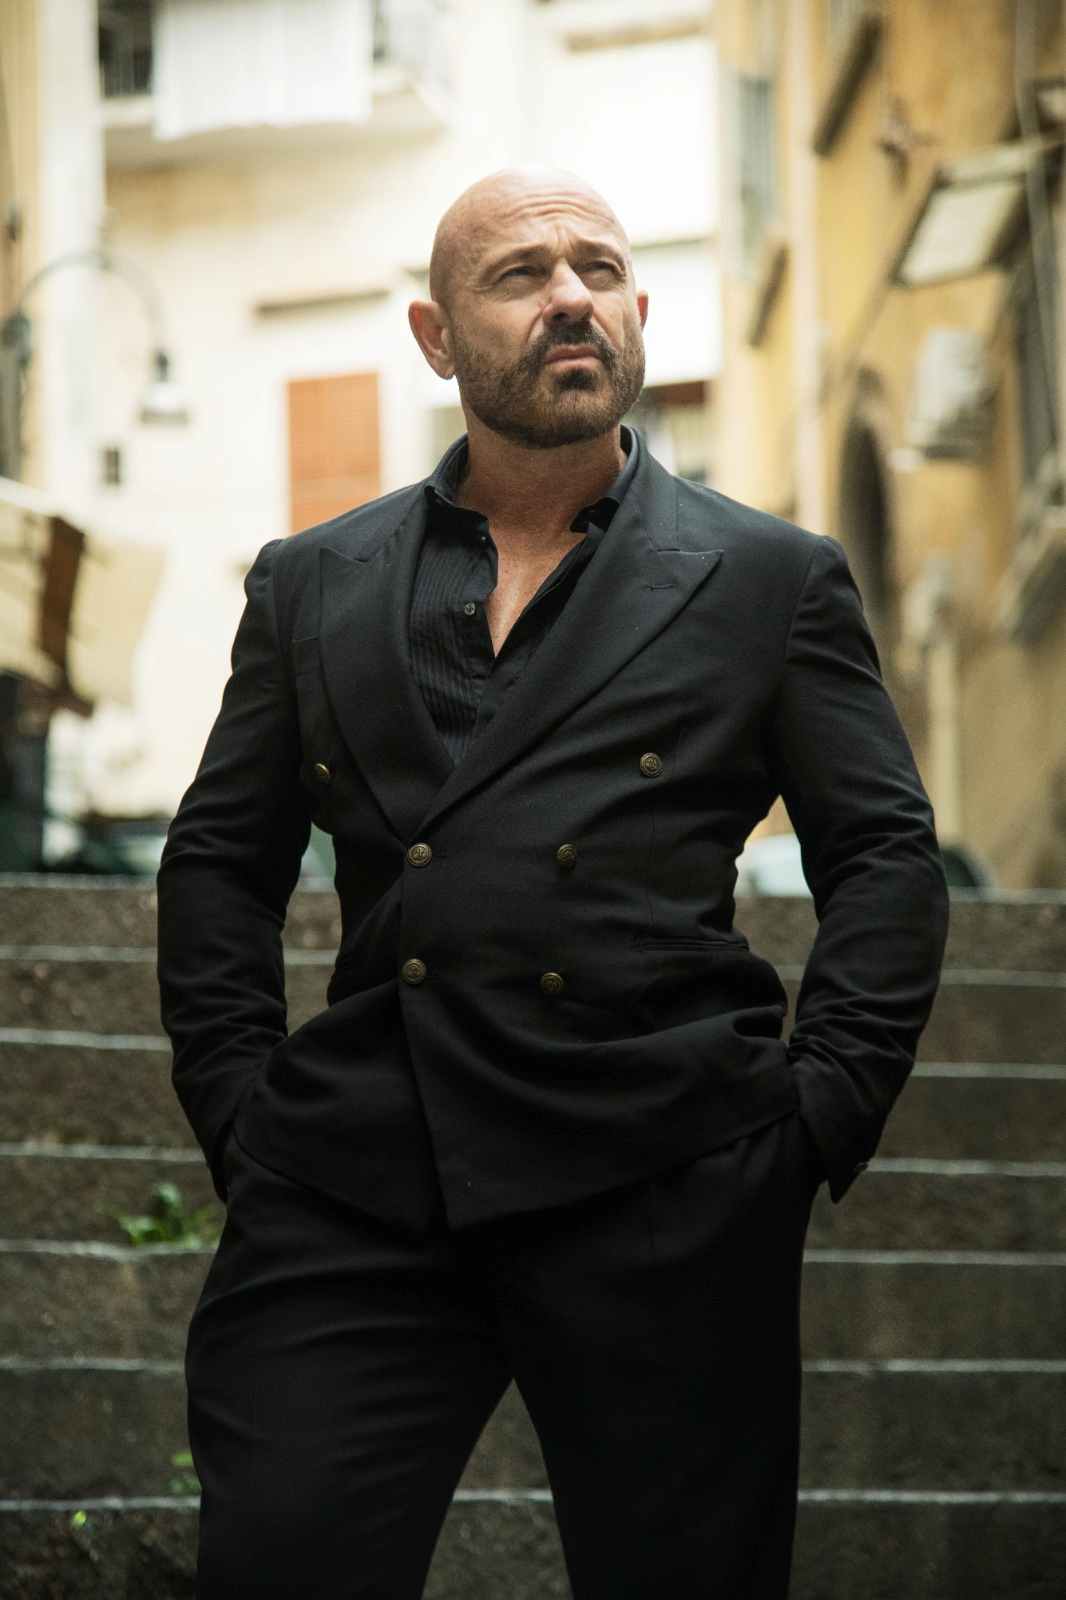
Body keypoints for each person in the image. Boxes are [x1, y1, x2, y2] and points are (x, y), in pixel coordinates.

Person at [157, 167, 949, 1599]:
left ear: (639, 311)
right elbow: (222, 859)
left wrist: (814, 1115)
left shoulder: (768, 578)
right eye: (520, 276)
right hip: (355, 1176)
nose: (571, 297)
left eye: (599, 268)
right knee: (281, 1556)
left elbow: (884, 852)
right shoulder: (312, 581)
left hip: (664, 1170)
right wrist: (238, 1110)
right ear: (436, 338)